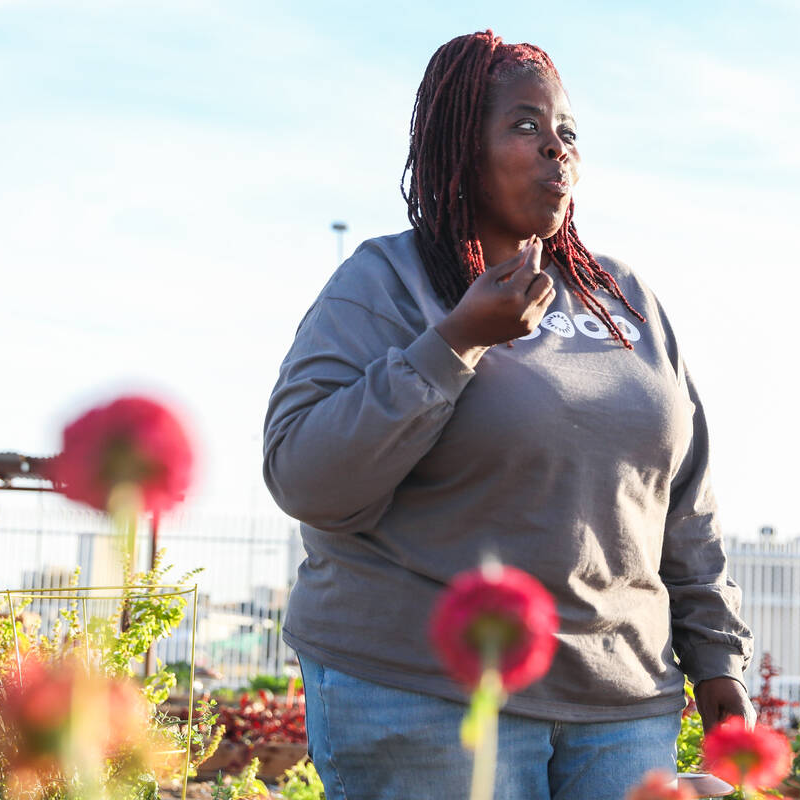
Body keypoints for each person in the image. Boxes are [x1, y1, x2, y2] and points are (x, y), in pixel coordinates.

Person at [263, 30, 755, 800]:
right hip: (426, 695)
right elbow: (305, 476)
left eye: (567, 131)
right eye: (525, 126)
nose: (555, 148)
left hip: (623, 709)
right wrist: (454, 341)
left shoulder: (625, 299)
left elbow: (683, 503)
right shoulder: (388, 283)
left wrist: (715, 655)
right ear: (462, 145)